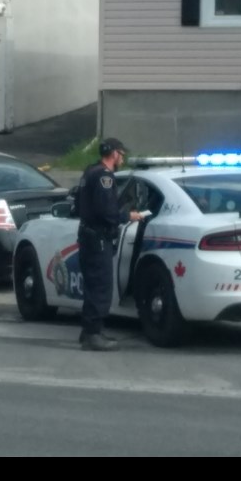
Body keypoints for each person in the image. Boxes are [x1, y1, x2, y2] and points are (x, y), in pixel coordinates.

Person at [75, 137, 145, 352]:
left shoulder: (90, 172)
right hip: (98, 239)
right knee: (101, 286)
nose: (122, 158)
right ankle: (93, 335)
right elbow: (107, 211)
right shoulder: (105, 177)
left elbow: (78, 204)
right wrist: (128, 215)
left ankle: (89, 331)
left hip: (87, 235)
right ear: (113, 153)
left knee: (92, 285)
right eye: (121, 154)